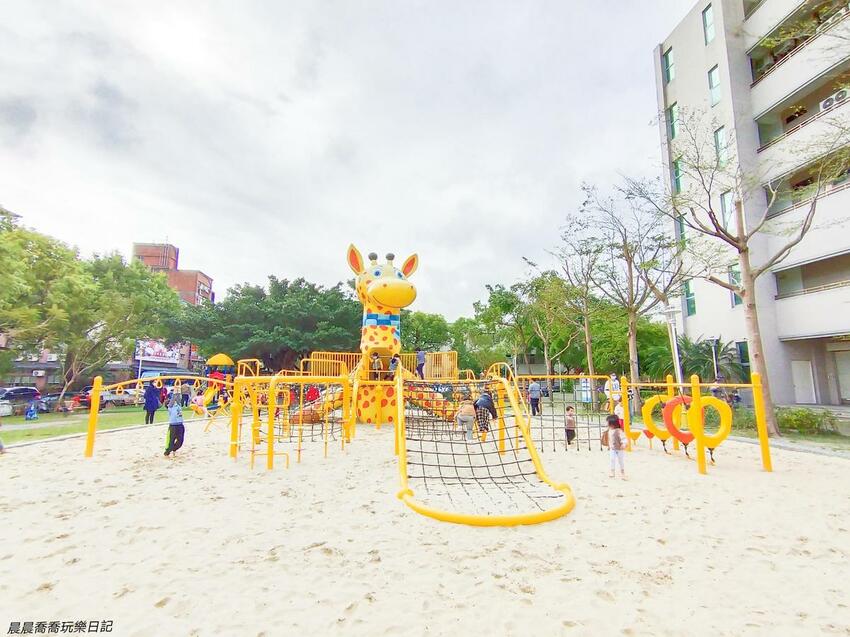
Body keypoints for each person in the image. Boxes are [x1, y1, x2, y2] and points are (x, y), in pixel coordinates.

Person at [605, 414, 626, 479]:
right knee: (612, 459)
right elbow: (610, 439)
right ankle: (612, 471)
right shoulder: (609, 431)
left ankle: (622, 472)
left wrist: (624, 444)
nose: (607, 424)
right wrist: (609, 445)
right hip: (612, 448)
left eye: (608, 422)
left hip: (619, 449)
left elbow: (624, 438)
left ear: (612, 423)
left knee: (620, 460)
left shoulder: (619, 431)